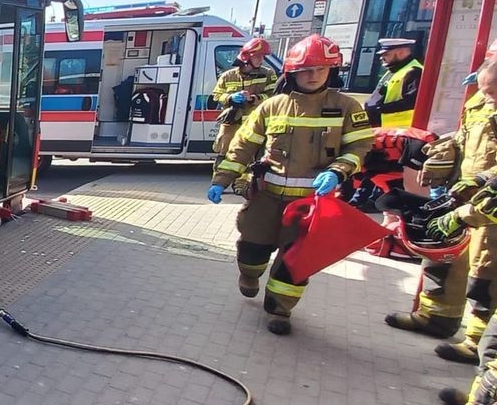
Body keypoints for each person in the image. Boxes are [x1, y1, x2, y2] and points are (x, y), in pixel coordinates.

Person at [206, 34, 374, 335]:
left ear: (331, 70)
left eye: (321, 69)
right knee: (251, 250)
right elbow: (243, 147)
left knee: (295, 262)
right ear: (293, 72)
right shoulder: (273, 107)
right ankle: (249, 275)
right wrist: (222, 179)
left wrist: (338, 170)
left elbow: (360, 148)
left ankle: (280, 310)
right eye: (307, 69)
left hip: (311, 204)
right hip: (267, 197)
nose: (313, 76)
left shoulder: (346, 107)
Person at [386, 57, 497, 359]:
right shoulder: (481, 100)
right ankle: (436, 316)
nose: (488, 99)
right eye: (485, 91)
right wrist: (446, 150)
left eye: (493, 94)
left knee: (484, 272)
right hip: (464, 193)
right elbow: (466, 136)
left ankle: (477, 343)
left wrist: (481, 187)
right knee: (443, 256)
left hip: (490, 202)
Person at [209, 37, 278, 193]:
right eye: (258, 56)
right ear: (246, 57)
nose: (261, 59)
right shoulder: (228, 76)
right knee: (224, 152)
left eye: (262, 56)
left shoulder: (268, 74)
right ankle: (218, 183)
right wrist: (230, 97)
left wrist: (254, 99)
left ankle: (242, 187)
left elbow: (273, 96)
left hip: (255, 123)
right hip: (231, 122)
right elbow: (216, 95)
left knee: (250, 155)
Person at [363, 35, 423, 128]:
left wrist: (379, 108)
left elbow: (413, 102)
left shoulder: (414, 71)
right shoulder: (394, 70)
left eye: (386, 54)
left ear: (400, 53)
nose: (381, 58)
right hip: (384, 127)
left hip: (399, 130)